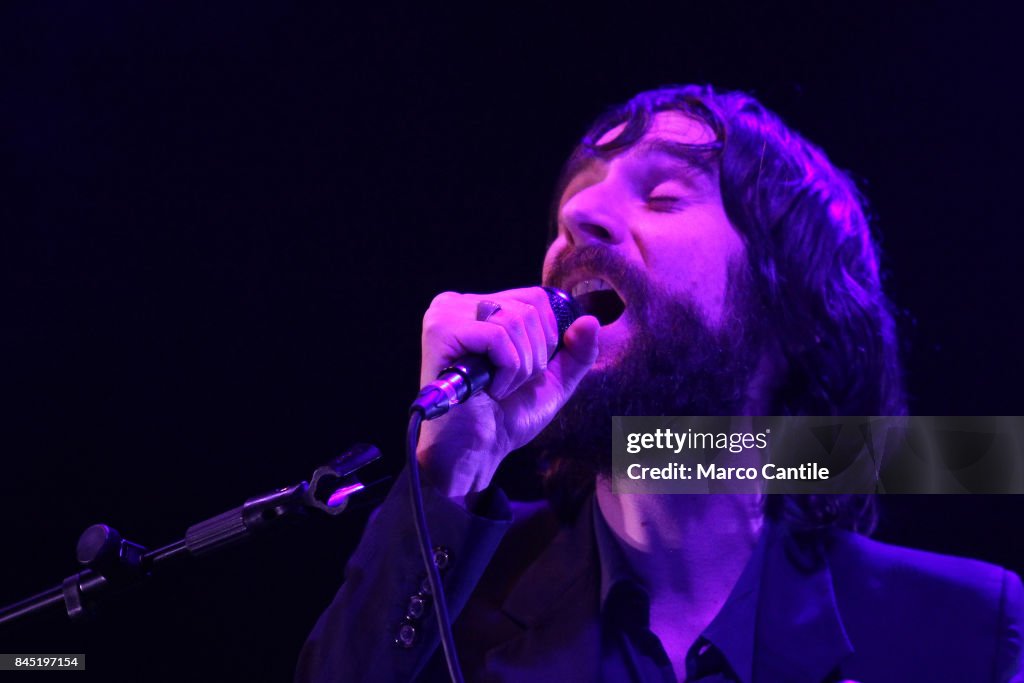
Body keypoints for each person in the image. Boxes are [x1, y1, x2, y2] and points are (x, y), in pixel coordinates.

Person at [295, 85, 1023, 682]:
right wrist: (442, 477)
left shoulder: (961, 630)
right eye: (571, 202)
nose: (575, 218)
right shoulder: (449, 596)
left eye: (664, 196)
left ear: (789, 304)